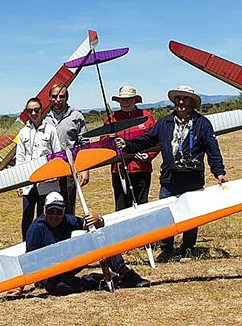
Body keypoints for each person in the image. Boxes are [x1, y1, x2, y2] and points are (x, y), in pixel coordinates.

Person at [115, 85, 227, 261]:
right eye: (179, 99)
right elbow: (147, 140)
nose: (181, 102)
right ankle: (166, 248)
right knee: (166, 213)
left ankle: (187, 248)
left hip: (193, 177)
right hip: (169, 177)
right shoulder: (164, 123)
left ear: (192, 103)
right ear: (175, 102)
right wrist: (127, 145)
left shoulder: (202, 123)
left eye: (186, 99)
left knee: (191, 213)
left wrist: (219, 172)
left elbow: (212, 149)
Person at [25, 192, 148, 295]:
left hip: (68, 263)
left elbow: (94, 225)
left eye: (59, 212)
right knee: (57, 287)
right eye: (50, 211)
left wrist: (98, 219)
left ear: (64, 211)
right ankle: (95, 281)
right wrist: (21, 285)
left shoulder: (67, 220)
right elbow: (28, 260)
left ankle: (126, 274)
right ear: (44, 211)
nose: (55, 216)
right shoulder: (37, 228)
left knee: (99, 238)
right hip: (49, 272)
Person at [15, 97, 62, 239]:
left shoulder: (50, 130)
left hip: (46, 181)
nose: (34, 113)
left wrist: (55, 175)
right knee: (27, 216)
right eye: (30, 111)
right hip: (28, 182)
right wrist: (19, 183)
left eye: (36, 110)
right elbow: (20, 158)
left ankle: (44, 243)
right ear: (27, 112)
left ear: (42, 110)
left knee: (44, 216)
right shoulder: (23, 132)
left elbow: (58, 154)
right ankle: (27, 243)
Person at [104, 85, 157, 211]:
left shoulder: (146, 116)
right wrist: (110, 142)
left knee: (142, 205)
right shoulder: (111, 119)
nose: (125, 102)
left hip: (141, 168)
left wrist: (149, 156)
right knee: (121, 207)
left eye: (129, 99)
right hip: (119, 170)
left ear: (135, 100)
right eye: (122, 99)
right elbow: (104, 143)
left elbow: (156, 140)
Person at [43, 84, 88, 216]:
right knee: (48, 205)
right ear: (49, 98)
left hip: (69, 168)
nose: (58, 100)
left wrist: (85, 169)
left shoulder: (76, 116)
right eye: (54, 96)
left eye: (61, 96)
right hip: (48, 168)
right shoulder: (43, 116)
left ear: (67, 98)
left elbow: (84, 143)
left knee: (67, 205)